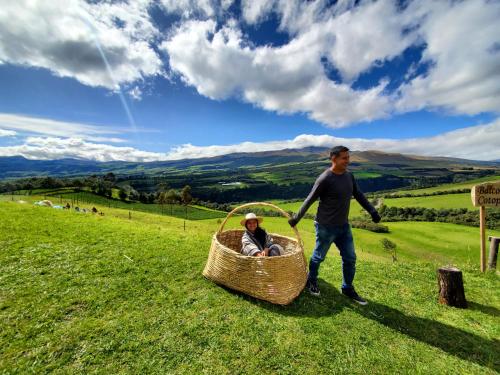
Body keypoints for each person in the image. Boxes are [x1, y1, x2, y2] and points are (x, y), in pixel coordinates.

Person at [288, 145, 381, 305]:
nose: (348, 161)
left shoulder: (349, 176)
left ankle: (347, 288)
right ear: (334, 158)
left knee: (350, 258)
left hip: (344, 226)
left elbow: (358, 194)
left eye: (348, 157)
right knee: (318, 257)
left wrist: (372, 211)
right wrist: (296, 218)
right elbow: (310, 199)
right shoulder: (325, 178)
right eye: (344, 158)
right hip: (325, 226)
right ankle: (311, 281)